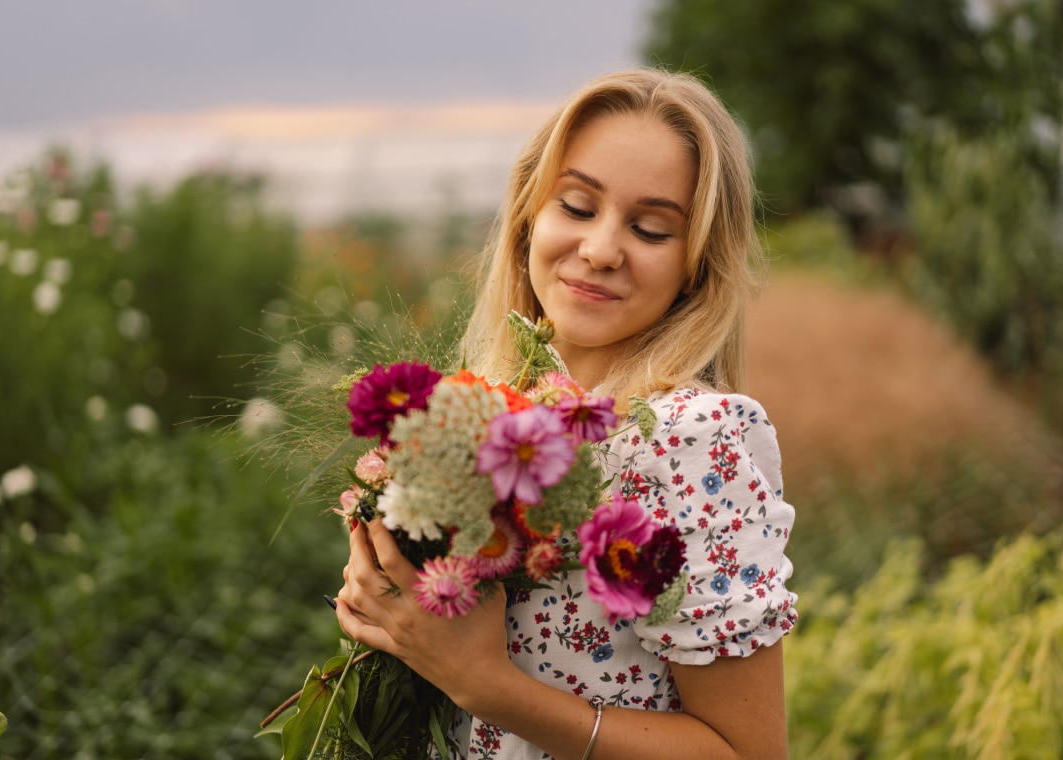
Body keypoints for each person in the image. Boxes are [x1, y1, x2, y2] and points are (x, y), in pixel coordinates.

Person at [335, 68, 798, 760]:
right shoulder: (483, 411)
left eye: (650, 228)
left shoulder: (693, 438)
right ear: (529, 217)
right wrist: (389, 604)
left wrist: (491, 689)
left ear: (698, 264)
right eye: (578, 207)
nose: (601, 250)